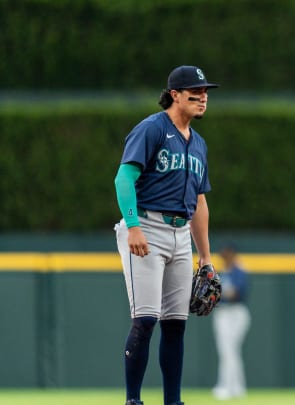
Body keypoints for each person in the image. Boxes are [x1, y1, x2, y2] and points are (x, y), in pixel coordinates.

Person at [114, 65, 219, 405]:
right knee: (146, 319)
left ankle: (173, 402)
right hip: (146, 226)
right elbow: (123, 179)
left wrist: (204, 257)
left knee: (176, 324)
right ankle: (133, 400)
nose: (202, 97)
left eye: (205, 92)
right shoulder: (152, 129)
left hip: (181, 233)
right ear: (175, 94)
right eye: (195, 91)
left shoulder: (198, 143)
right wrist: (133, 226)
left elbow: (199, 204)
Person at [212, 243, 252, 400]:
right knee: (229, 352)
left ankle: (227, 387)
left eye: (227, 254)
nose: (224, 258)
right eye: (223, 255)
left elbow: (235, 293)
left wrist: (218, 293)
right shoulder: (221, 272)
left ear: (233, 254)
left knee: (229, 351)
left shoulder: (239, 271)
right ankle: (237, 388)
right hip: (222, 314)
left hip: (236, 313)